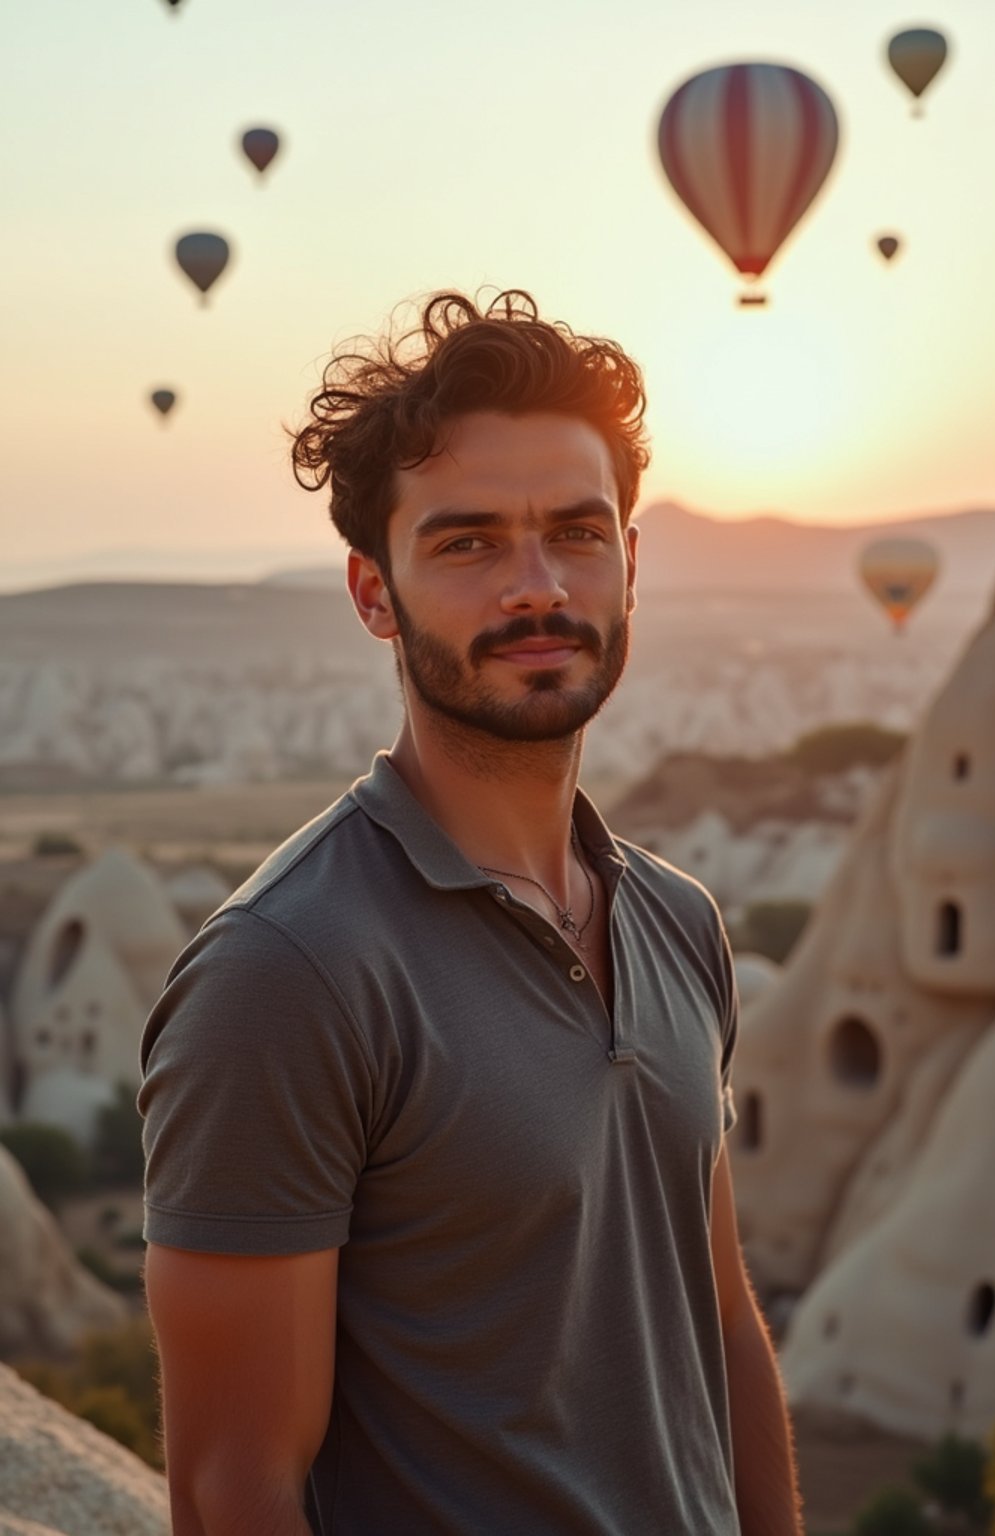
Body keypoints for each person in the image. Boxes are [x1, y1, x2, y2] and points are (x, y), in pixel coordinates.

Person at [140, 289, 803, 1536]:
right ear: (372, 592)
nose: (537, 587)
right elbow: (236, 1486)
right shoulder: (289, 972)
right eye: (467, 543)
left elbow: (713, 1320)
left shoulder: (674, 920)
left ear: (631, 562)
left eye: (575, 533)